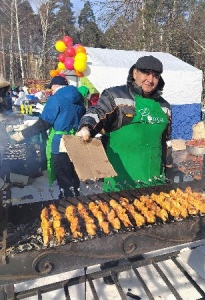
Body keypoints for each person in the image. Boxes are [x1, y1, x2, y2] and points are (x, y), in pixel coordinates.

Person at [76, 55, 173, 284]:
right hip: (120, 174)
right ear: (134, 73)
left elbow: (164, 139)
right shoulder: (116, 96)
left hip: (151, 174)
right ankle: (110, 263)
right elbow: (96, 113)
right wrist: (86, 128)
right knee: (114, 219)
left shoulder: (165, 107)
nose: (150, 79)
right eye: (146, 73)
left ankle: (137, 249)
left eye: (155, 75)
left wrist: (167, 165)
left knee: (144, 217)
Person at [10, 75, 86, 198]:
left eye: (51, 88)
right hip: (77, 139)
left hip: (61, 142)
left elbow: (43, 124)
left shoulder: (56, 99)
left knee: (63, 174)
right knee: (73, 173)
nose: (50, 90)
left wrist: (22, 134)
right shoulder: (79, 99)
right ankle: (75, 196)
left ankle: (68, 201)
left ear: (56, 86)